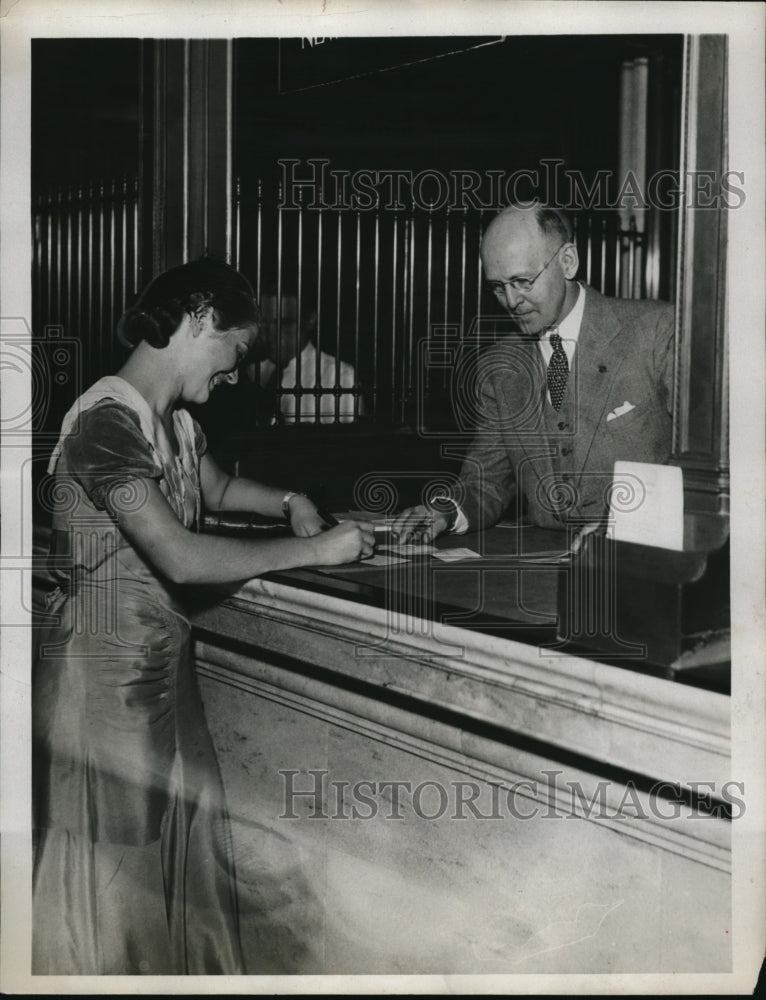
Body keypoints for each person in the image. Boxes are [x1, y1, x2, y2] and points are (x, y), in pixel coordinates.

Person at [32, 257, 374, 975]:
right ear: (197, 321)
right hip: (101, 691)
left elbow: (212, 488)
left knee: (189, 860)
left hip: (161, 675)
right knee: (119, 888)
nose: (236, 373)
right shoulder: (103, 424)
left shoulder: (171, 422)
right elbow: (180, 556)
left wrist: (288, 502)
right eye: (236, 352)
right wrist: (311, 550)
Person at [391, 204, 675, 543]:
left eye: (522, 281)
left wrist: (624, 522)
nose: (511, 301)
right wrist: (446, 511)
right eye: (497, 287)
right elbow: (488, 480)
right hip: (545, 564)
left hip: (647, 560)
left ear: (567, 261)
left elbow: (702, 467)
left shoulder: (656, 331)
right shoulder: (499, 365)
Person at [254, 291, 362, 424]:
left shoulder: (339, 377)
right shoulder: (251, 372)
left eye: (283, 323)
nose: (270, 334)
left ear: (310, 321)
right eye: (263, 324)